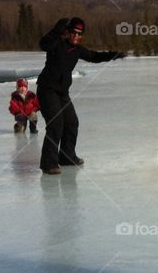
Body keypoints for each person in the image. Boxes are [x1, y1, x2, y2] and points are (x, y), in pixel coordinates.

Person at [37, 17, 125, 175]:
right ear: (68, 32)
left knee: (71, 123)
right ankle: (48, 163)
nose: (76, 36)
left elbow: (94, 56)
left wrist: (113, 55)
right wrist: (56, 30)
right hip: (47, 90)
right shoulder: (57, 44)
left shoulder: (78, 50)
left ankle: (66, 157)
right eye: (74, 33)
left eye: (80, 34)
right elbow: (43, 44)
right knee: (56, 125)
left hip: (62, 93)